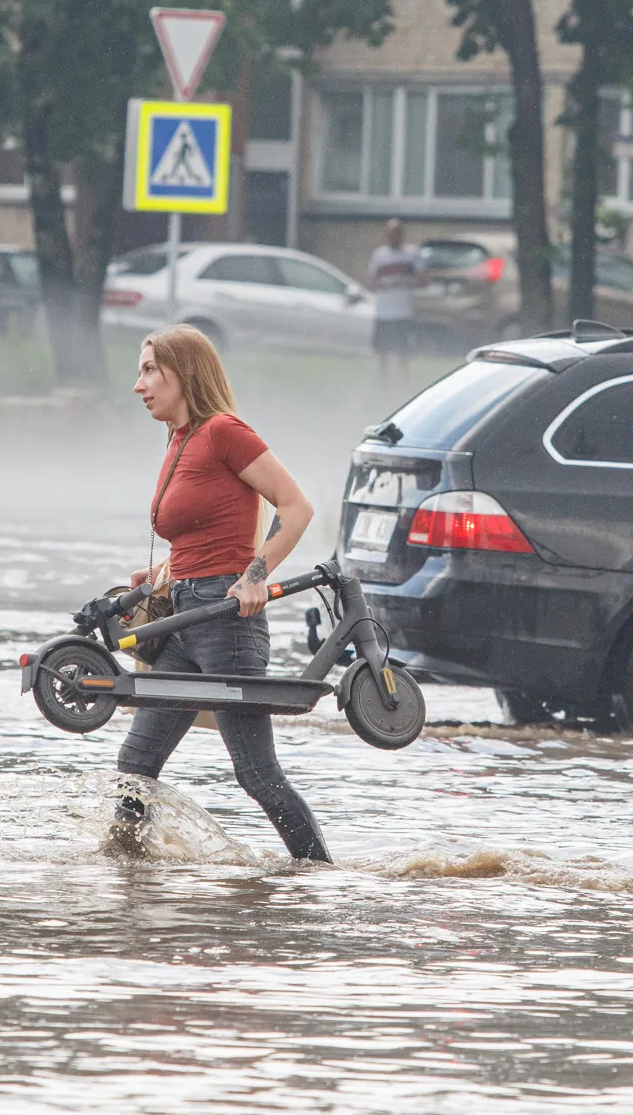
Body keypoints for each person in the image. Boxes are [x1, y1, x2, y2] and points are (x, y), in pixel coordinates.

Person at [117, 324, 330, 862]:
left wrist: (257, 574)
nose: (137, 385)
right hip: (182, 618)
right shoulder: (179, 440)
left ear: (183, 373)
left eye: (148, 371)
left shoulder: (224, 432)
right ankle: (122, 876)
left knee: (256, 774)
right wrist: (162, 573)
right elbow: (204, 534)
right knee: (136, 766)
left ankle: (319, 875)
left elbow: (296, 506)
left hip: (226, 619)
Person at [367, 218, 419, 379]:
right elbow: (372, 280)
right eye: (391, 234)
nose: (394, 237)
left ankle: (404, 380)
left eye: (397, 233)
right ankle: (383, 381)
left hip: (403, 312)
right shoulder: (379, 256)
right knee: (383, 351)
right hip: (383, 312)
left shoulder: (411, 255)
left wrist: (404, 282)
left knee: (403, 351)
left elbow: (423, 278)